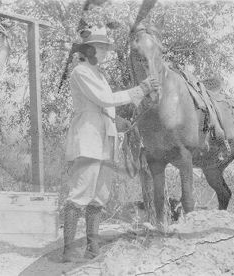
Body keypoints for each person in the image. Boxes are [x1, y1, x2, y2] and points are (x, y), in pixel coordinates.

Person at [63, 25, 160, 262]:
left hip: (105, 139)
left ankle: (92, 247)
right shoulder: (81, 72)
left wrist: (118, 120)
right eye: (100, 48)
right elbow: (104, 99)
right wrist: (141, 88)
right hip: (87, 139)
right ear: (88, 49)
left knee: (100, 196)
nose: (105, 52)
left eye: (106, 48)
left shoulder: (99, 75)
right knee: (80, 193)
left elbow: (103, 106)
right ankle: (68, 250)